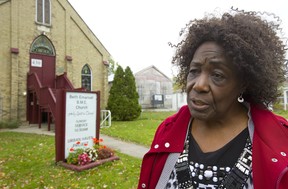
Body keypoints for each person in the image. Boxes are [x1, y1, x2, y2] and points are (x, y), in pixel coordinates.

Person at [138, 7, 288, 189]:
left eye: (217, 75)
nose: (199, 85)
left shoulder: (280, 138)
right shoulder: (167, 131)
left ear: (243, 84)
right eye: (194, 71)